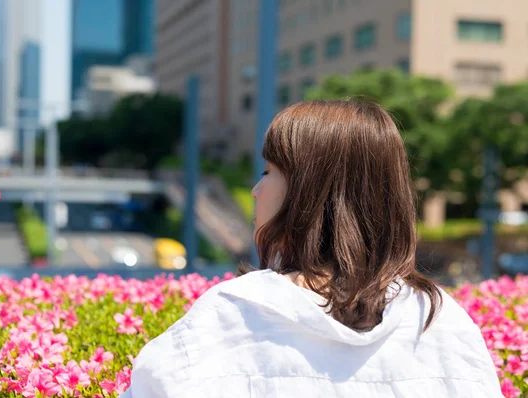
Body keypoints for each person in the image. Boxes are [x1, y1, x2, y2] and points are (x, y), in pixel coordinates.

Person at [120, 100, 502, 398]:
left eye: (269, 171)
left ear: (311, 191)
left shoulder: (235, 311)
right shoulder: (437, 319)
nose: (255, 189)